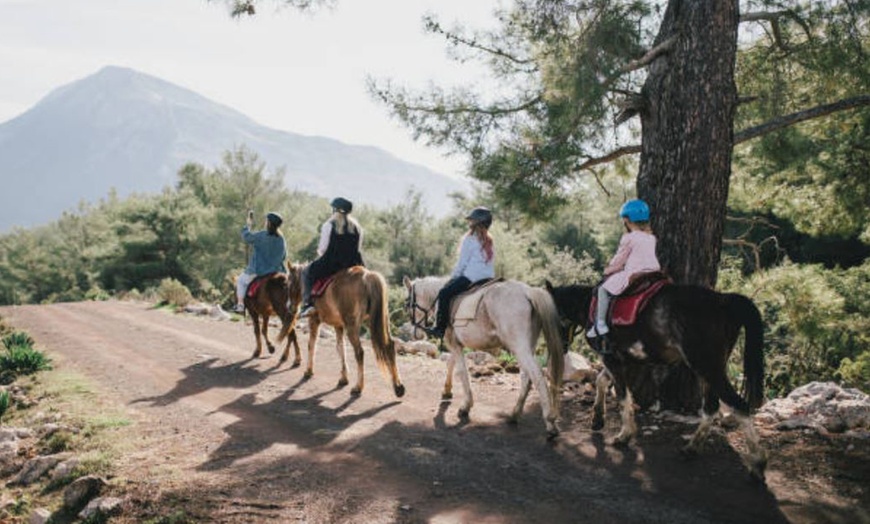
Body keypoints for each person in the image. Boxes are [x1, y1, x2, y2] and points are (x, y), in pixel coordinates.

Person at [587, 198, 660, 339]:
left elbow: (619, 260)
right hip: (654, 272)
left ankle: (600, 324)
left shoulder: (628, 238)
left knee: (603, 290)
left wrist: (608, 270)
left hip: (634, 272)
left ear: (627, 220)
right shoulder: (651, 238)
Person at [424, 206, 496, 339]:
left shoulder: (470, 240)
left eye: (472, 221)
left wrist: (453, 277)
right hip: (489, 278)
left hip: (471, 278)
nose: (470, 224)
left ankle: (440, 328)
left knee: (444, 293)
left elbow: (462, 263)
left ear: (477, 223)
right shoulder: (490, 241)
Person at [298, 197, 365, 317]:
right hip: (354, 263)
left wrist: (322, 254)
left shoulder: (329, 225)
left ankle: (308, 304)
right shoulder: (357, 227)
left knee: (306, 272)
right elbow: (358, 248)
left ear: (335, 210)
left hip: (331, 264)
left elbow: (322, 249)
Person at [235, 211, 288, 313]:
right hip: (277, 271)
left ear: (268, 223)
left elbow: (247, 237)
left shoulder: (262, 235)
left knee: (241, 281)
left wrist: (247, 225)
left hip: (258, 271)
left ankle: (240, 305)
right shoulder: (281, 239)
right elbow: (284, 256)